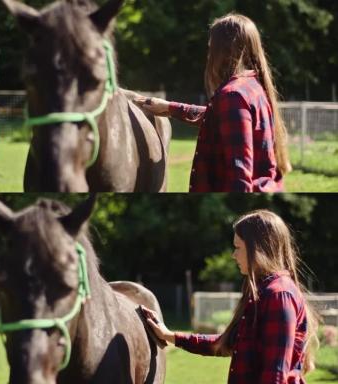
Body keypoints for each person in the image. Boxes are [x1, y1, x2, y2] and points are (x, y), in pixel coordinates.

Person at [142, 210, 319, 383]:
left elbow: (275, 375)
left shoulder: (279, 295)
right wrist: (170, 336)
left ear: (258, 249)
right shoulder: (263, 291)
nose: (234, 255)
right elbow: (224, 343)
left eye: (238, 247)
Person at [134, 13, 290, 192]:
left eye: (211, 49)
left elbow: (240, 177)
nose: (209, 55)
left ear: (223, 52)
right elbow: (218, 118)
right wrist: (169, 108)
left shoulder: (233, 95)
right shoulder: (252, 87)